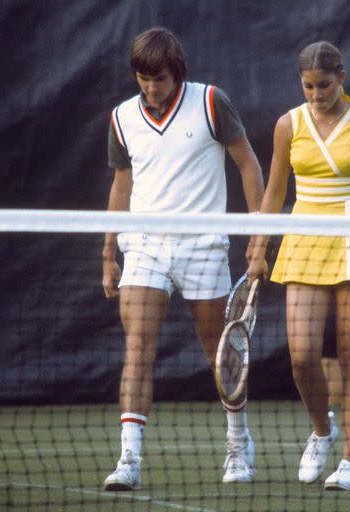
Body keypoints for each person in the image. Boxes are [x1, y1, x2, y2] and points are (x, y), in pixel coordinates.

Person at [101, 27, 265, 491]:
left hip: (204, 246)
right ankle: (129, 459)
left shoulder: (212, 102)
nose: (151, 88)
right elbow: (121, 185)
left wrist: (258, 235)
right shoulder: (121, 118)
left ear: (178, 72)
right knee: (137, 348)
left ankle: (238, 444)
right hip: (146, 245)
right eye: (143, 79)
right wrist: (108, 250)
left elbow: (249, 164)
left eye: (160, 79)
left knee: (220, 351)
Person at [247, 41, 350, 491]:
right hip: (303, 239)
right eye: (308, 86)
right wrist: (258, 247)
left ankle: (349, 463)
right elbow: (274, 192)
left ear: (342, 76)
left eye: (324, 85)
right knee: (301, 358)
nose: (316, 94)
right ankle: (322, 428)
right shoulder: (288, 124)